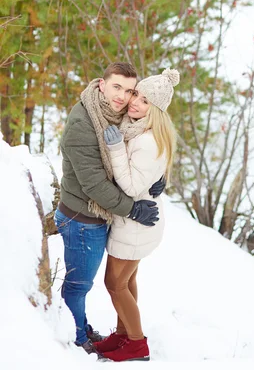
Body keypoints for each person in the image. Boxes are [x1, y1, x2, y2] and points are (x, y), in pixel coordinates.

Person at [54, 62, 166, 354]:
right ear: (101, 84)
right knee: (81, 285)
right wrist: (132, 209)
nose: (124, 97)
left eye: (130, 91)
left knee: (123, 281)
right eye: (117, 87)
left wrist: (158, 176)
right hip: (83, 218)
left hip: (104, 216)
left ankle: (126, 336)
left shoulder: (118, 117)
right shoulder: (84, 123)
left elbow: (142, 153)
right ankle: (78, 337)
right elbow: (94, 185)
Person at [94, 68, 179, 362]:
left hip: (135, 224)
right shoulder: (139, 129)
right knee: (128, 283)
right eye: (136, 95)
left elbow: (130, 185)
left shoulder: (146, 139)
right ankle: (123, 333)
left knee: (114, 284)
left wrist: (116, 147)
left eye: (144, 101)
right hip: (137, 224)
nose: (135, 103)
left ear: (155, 110)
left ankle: (136, 344)